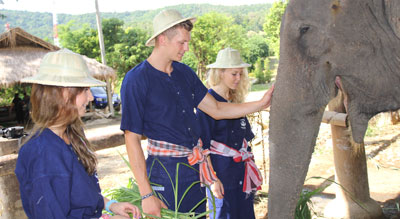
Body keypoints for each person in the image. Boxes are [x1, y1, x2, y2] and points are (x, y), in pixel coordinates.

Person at [120, 9, 274, 218]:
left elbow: (217, 109)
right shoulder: (136, 80)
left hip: (194, 169)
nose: (187, 48)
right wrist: (146, 194)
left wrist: (261, 103)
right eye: (182, 43)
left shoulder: (184, 73)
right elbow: (132, 138)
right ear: (162, 39)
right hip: (165, 173)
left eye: (188, 42)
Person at [15, 49, 141, 219]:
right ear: (64, 93)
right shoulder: (44, 154)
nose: (90, 97)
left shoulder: (70, 134)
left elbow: (80, 193)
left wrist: (111, 205)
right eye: (85, 90)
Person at [197, 47, 263, 219]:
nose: (238, 78)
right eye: (234, 74)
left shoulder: (235, 103)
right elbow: (202, 146)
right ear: (220, 73)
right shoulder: (207, 103)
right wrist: (212, 180)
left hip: (241, 173)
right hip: (222, 176)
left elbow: (245, 140)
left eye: (240, 74)